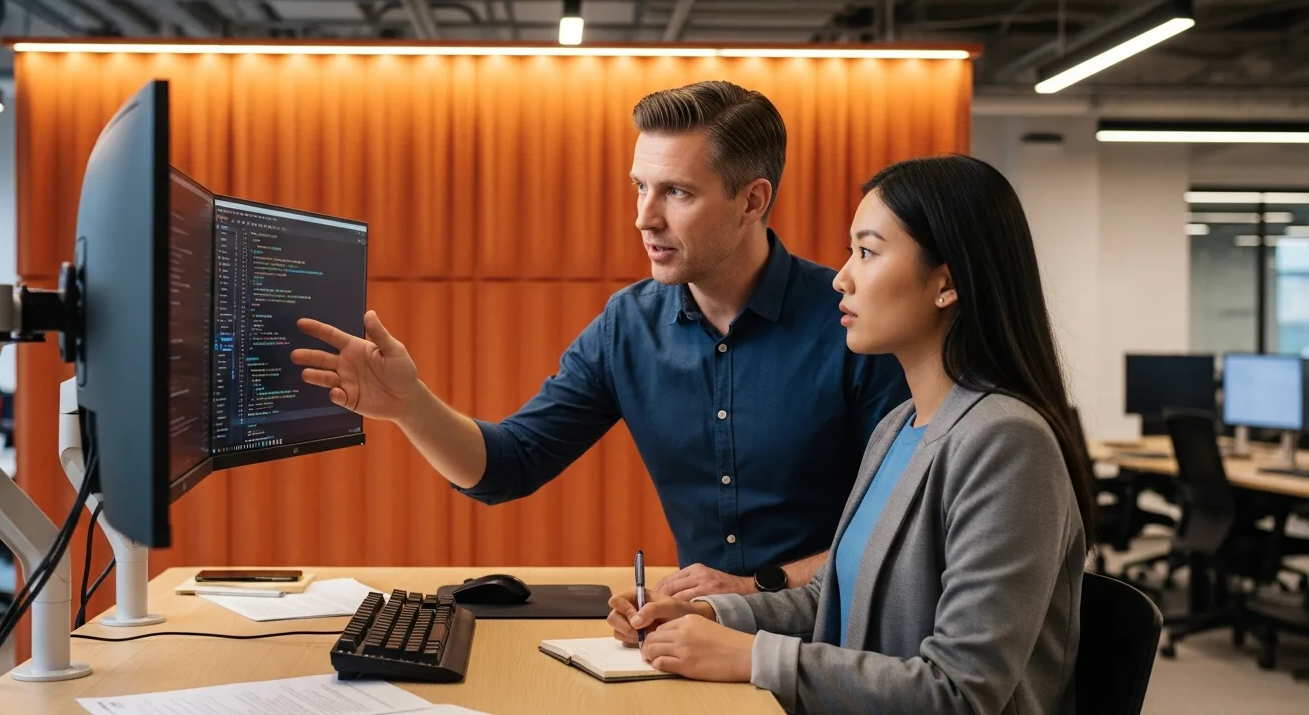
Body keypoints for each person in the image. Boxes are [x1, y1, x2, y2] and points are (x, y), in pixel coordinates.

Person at [292, 81, 908, 598]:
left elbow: (901, 529)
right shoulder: (628, 325)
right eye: (640, 186)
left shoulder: (854, 323)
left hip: (836, 637)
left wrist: (756, 589)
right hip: (705, 638)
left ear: (752, 201)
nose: (644, 217)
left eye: (677, 192)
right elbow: (508, 467)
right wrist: (410, 405)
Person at [606, 155, 1095, 714]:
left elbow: (961, 692)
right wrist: (711, 615)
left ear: (947, 283)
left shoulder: (1006, 443)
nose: (842, 277)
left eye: (867, 252)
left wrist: (752, 657)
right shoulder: (898, 427)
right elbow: (836, 599)